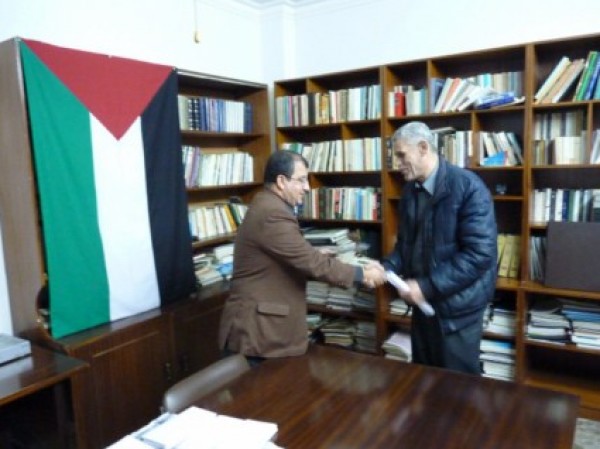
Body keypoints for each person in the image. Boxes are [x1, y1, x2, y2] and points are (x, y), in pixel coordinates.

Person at [219, 150, 386, 365]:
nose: (307, 188)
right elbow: (311, 262)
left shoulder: (268, 204)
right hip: (258, 332)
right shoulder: (273, 213)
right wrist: (362, 274)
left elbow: (289, 253)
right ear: (281, 181)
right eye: (301, 180)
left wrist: (315, 254)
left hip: (262, 329)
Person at [382, 121, 497, 375]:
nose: (397, 164)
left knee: (457, 388)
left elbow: (479, 255)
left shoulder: (469, 187)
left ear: (423, 148)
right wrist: (386, 267)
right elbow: (405, 245)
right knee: (424, 380)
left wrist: (425, 286)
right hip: (423, 306)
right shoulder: (410, 191)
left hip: (458, 312)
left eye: (401, 155)